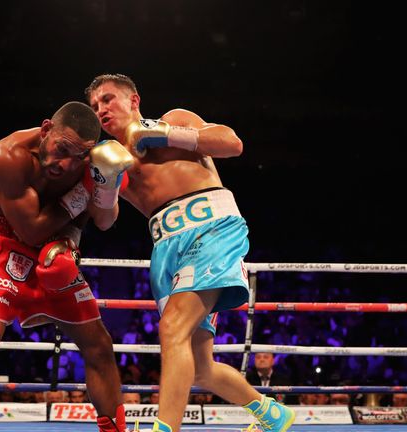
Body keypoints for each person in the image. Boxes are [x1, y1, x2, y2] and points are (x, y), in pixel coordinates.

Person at [86, 74, 295, 432]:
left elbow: (232, 143)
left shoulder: (175, 119)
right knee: (200, 367)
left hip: (212, 227)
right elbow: (105, 222)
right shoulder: (110, 158)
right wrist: (103, 186)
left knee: (173, 328)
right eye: (95, 106)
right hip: (166, 247)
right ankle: (272, 413)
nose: (101, 110)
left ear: (134, 99)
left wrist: (163, 134)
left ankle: (164, 429)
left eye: (107, 99)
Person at [0, 101, 133, 432]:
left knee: (99, 345)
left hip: (54, 247)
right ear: (46, 129)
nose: (67, 163)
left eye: (79, 156)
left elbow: (102, 222)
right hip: (4, 244)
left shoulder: (88, 162)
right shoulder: (8, 156)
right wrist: (80, 196)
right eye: (62, 148)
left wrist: (106, 190)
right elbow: (30, 229)